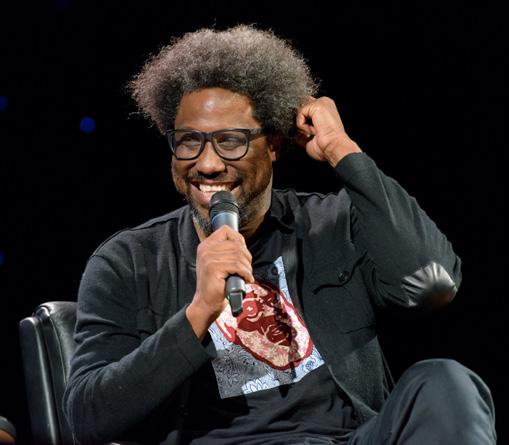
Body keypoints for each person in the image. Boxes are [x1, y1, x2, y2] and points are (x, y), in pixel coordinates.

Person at [63, 25, 496, 444]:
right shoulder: (128, 261)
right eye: (189, 141)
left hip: (349, 439)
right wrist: (198, 313)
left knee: (443, 382)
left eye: (231, 141)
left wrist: (341, 149)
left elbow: (431, 283)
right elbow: (88, 418)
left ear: (273, 144)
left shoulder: (331, 224)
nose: (207, 164)